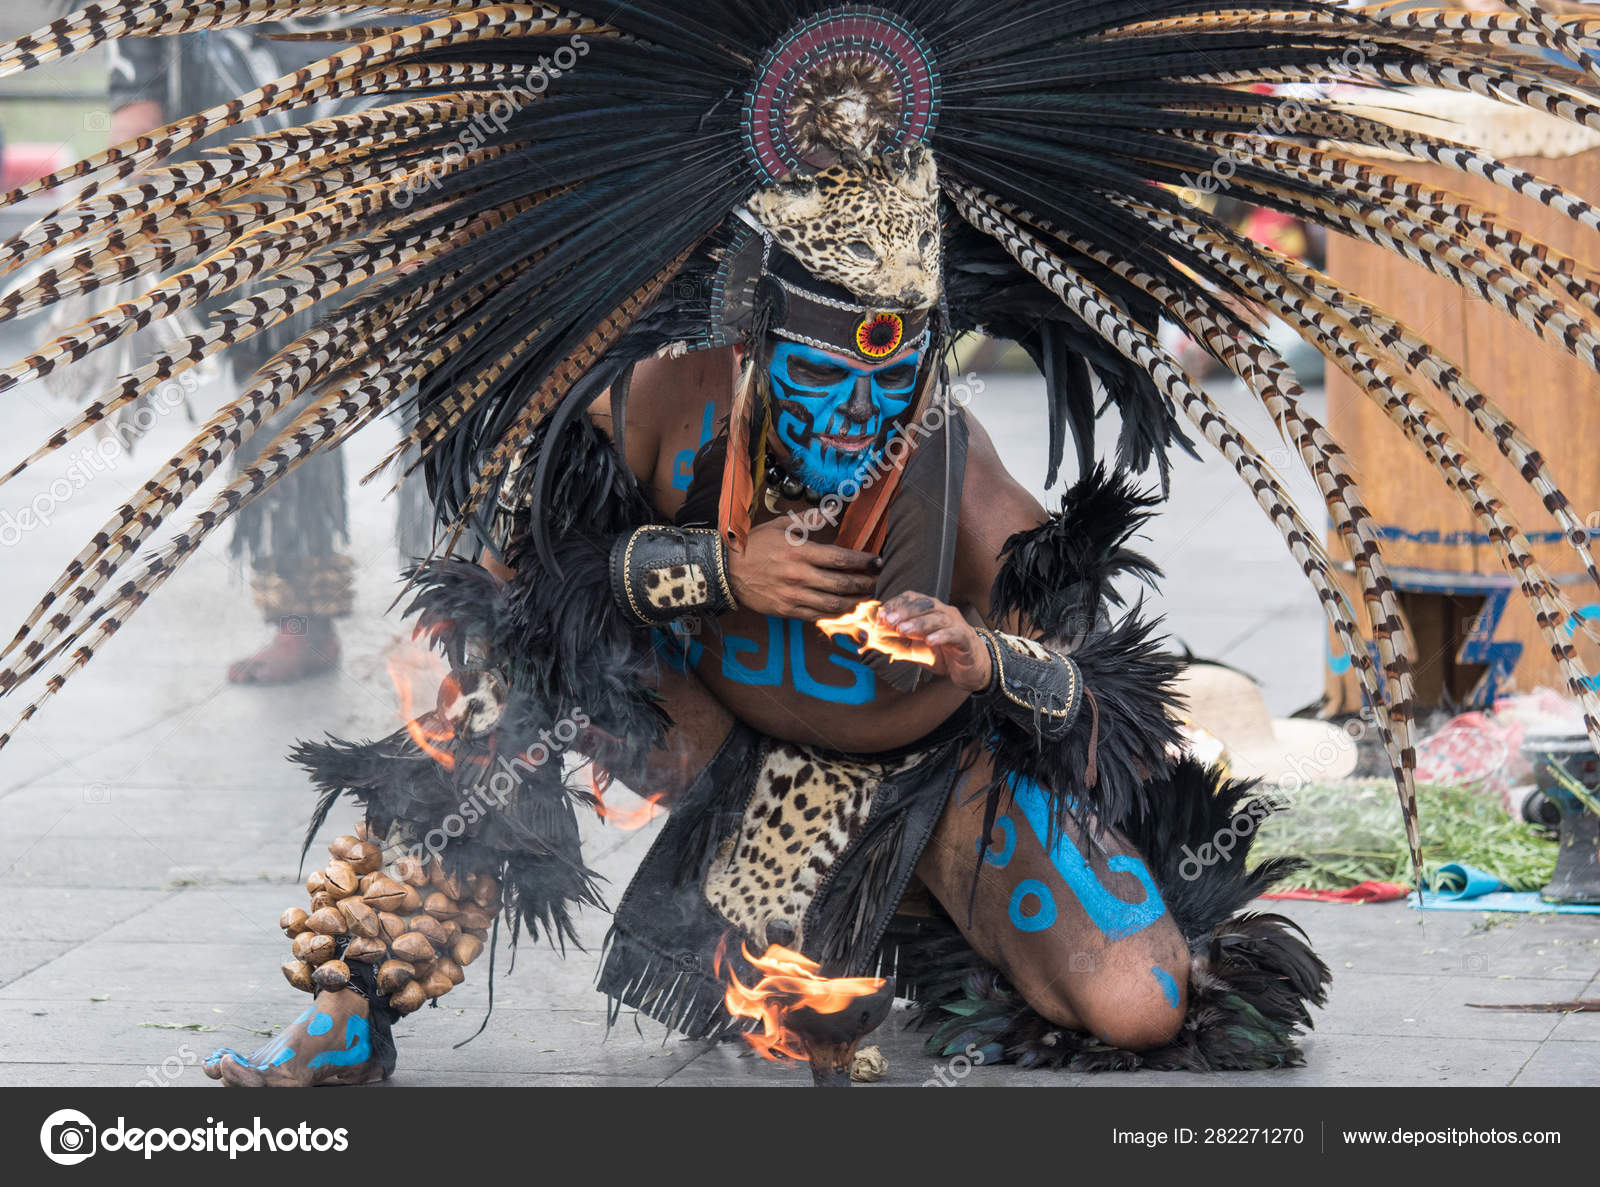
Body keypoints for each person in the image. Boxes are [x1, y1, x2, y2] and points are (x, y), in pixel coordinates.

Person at [1, 1, 1598, 1087]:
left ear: (931, 360)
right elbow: (532, 585)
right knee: (503, 705)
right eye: (818, 366)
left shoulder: (972, 494)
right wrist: (710, 572)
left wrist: (988, 653)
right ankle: (349, 1020)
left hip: (915, 770)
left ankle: (907, 921)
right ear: (757, 329)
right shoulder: (668, 410)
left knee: (1141, 1003)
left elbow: (1108, 693)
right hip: (702, 720)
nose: (847, 407)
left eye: (887, 369)